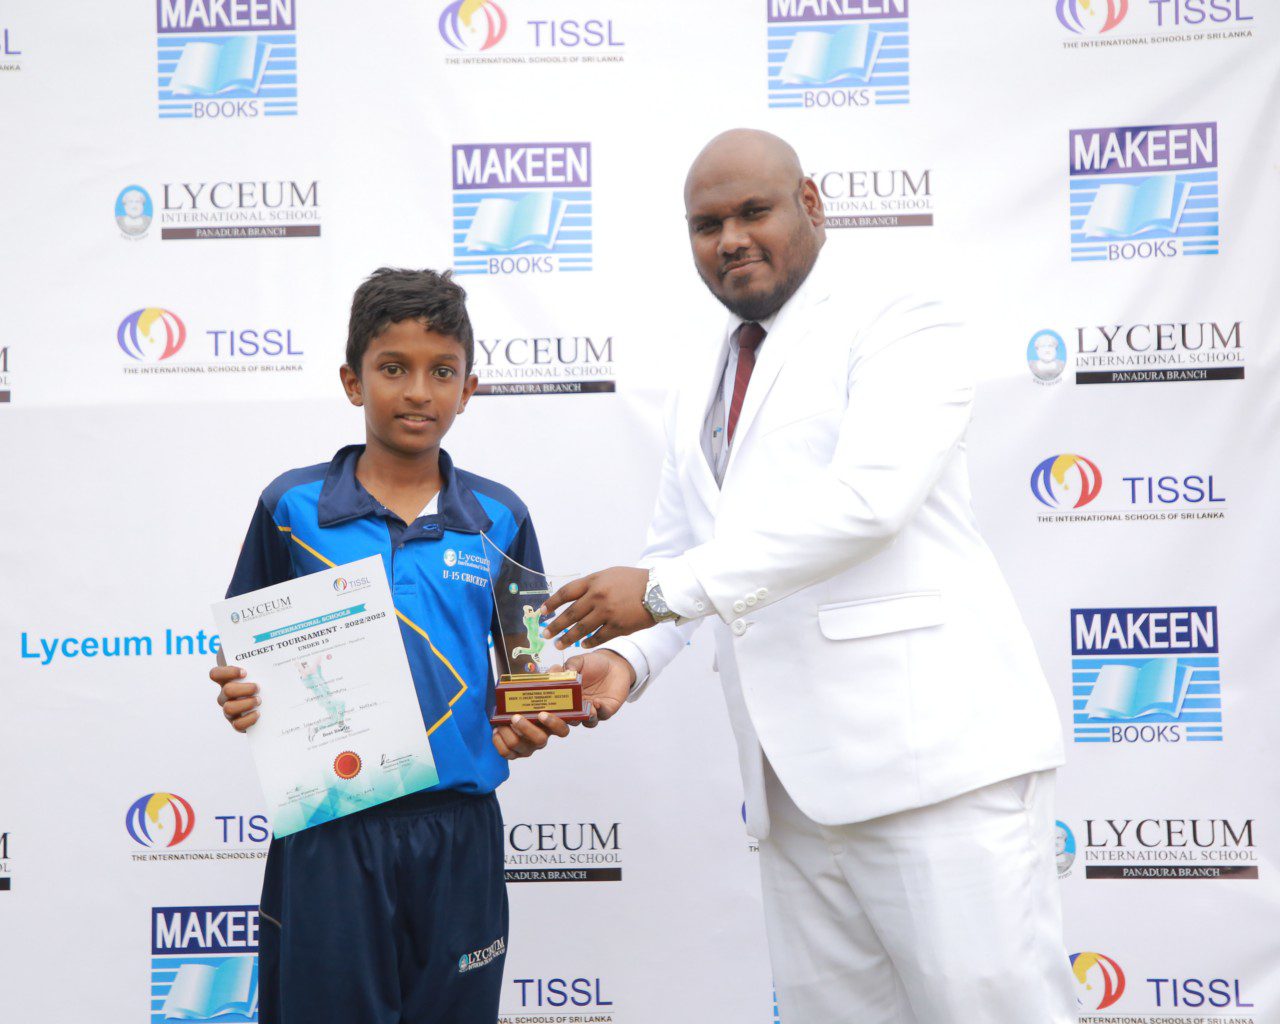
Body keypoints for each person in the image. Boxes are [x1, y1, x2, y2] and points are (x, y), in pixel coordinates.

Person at [499, 130, 1079, 1022]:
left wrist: (660, 593)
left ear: (811, 204)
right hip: (790, 793)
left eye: (751, 211)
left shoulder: (899, 316)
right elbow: (679, 547)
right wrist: (632, 660)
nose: (729, 237)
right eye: (705, 224)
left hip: (935, 773)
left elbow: (870, 502)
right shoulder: (702, 374)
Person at [209, 268, 569, 1024]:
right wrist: (241, 693)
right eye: (393, 368)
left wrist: (531, 720)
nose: (418, 391)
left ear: (468, 390)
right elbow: (247, 655)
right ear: (352, 380)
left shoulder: (501, 517)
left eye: (442, 372)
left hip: (457, 832)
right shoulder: (290, 507)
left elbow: (529, 668)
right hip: (331, 826)